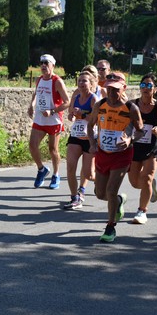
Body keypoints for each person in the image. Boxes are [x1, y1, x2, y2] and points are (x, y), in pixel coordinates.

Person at [87, 72, 144, 242]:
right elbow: (90, 126)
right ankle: (118, 201)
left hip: (122, 155)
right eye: (109, 89)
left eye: (116, 89)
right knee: (100, 193)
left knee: (111, 191)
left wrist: (130, 140)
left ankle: (110, 227)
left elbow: (140, 131)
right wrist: (92, 143)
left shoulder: (131, 109)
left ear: (124, 89)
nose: (111, 93)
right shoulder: (100, 105)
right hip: (103, 153)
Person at [127, 73, 157, 224]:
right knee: (135, 183)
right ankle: (151, 187)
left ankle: (142, 211)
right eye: (143, 85)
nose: (145, 88)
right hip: (135, 147)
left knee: (147, 177)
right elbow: (124, 123)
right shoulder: (132, 105)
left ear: (155, 89)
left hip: (153, 147)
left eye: (149, 86)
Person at [28, 54, 70, 189]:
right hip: (40, 118)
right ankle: (41, 169)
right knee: (32, 145)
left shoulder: (57, 81)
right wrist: (32, 105)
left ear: (53, 65)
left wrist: (52, 111)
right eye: (41, 63)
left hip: (53, 120)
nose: (43, 65)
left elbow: (67, 102)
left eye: (46, 63)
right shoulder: (39, 79)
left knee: (53, 149)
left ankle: (56, 174)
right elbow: (36, 93)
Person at [63, 71, 98, 209]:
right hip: (76, 136)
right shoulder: (76, 97)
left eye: (84, 81)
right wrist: (72, 116)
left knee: (89, 173)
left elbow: (96, 120)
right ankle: (74, 197)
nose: (81, 84)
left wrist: (82, 114)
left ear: (91, 84)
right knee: (70, 166)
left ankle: (102, 180)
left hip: (90, 138)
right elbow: (70, 115)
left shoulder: (94, 99)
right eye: (79, 81)